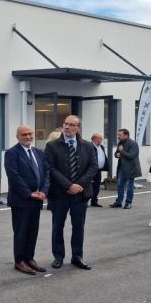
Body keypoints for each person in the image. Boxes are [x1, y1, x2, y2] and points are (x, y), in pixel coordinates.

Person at [45, 115, 97, 270]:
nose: (67, 127)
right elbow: (50, 168)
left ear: (78, 128)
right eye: (65, 124)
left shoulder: (87, 146)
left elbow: (93, 167)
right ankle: (58, 257)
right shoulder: (52, 146)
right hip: (60, 194)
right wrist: (68, 185)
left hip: (80, 194)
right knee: (57, 226)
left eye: (71, 125)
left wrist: (78, 185)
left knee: (78, 227)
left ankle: (77, 256)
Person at [4, 125, 50, 275]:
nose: (28, 137)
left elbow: (46, 172)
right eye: (24, 135)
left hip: (37, 199)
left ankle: (30, 258)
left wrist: (43, 191)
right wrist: (29, 193)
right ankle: (19, 261)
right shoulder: (12, 153)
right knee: (21, 231)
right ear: (17, 137)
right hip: (21, 200)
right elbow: (14, 176)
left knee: (32, 231)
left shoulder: (38, 152)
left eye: (30, 134)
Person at [109, 128, 141, 209]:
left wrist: (122, 152)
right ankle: (118, 202)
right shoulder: (120, 143)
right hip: (121, 168)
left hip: (131, 169)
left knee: (129, 186)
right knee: (120, 186)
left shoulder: (133, 143)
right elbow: (116, 153)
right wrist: (117, 155)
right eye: (118, 135)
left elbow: (132, 156)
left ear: (126, 135)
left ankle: (128, 203)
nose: (118, 137)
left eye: (120, 135)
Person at [90, 133, 110, 207]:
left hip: (98, 170)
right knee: (89, 186)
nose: (101, 140)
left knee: (96, 186)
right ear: (95, 139)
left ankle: (94, 201)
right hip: (91, 170)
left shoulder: (101, 146)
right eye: (100, 138)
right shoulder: (89, 146)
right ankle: (85, 201)